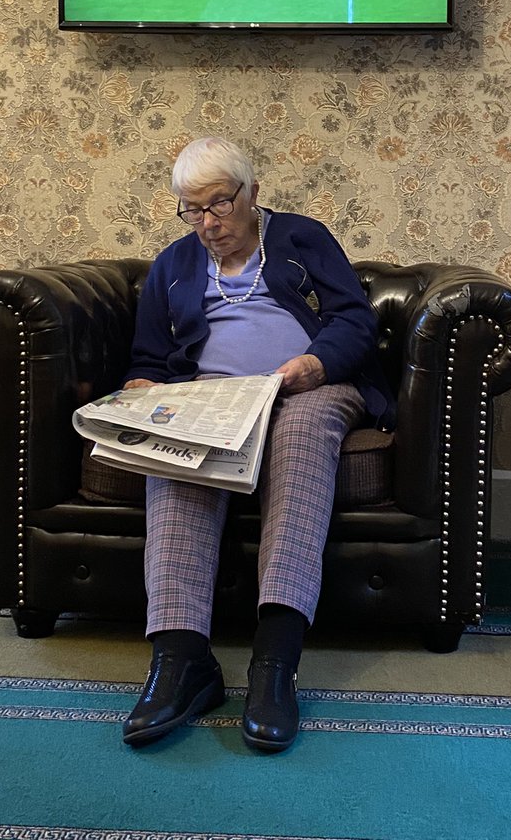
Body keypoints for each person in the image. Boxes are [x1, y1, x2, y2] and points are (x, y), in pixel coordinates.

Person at [121, 137, 394, 754]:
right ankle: (181, 660)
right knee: (176, 446)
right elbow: (149, 353)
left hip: (309, 387)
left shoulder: (303, 239)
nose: (209, 224)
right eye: (192, 210)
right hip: (213, 396)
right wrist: (149, 388)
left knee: (299, 432)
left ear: (253, 194)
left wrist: (315, 364)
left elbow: (355, 320)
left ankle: (275, 662)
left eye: (220, 204)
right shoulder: (174, 264)